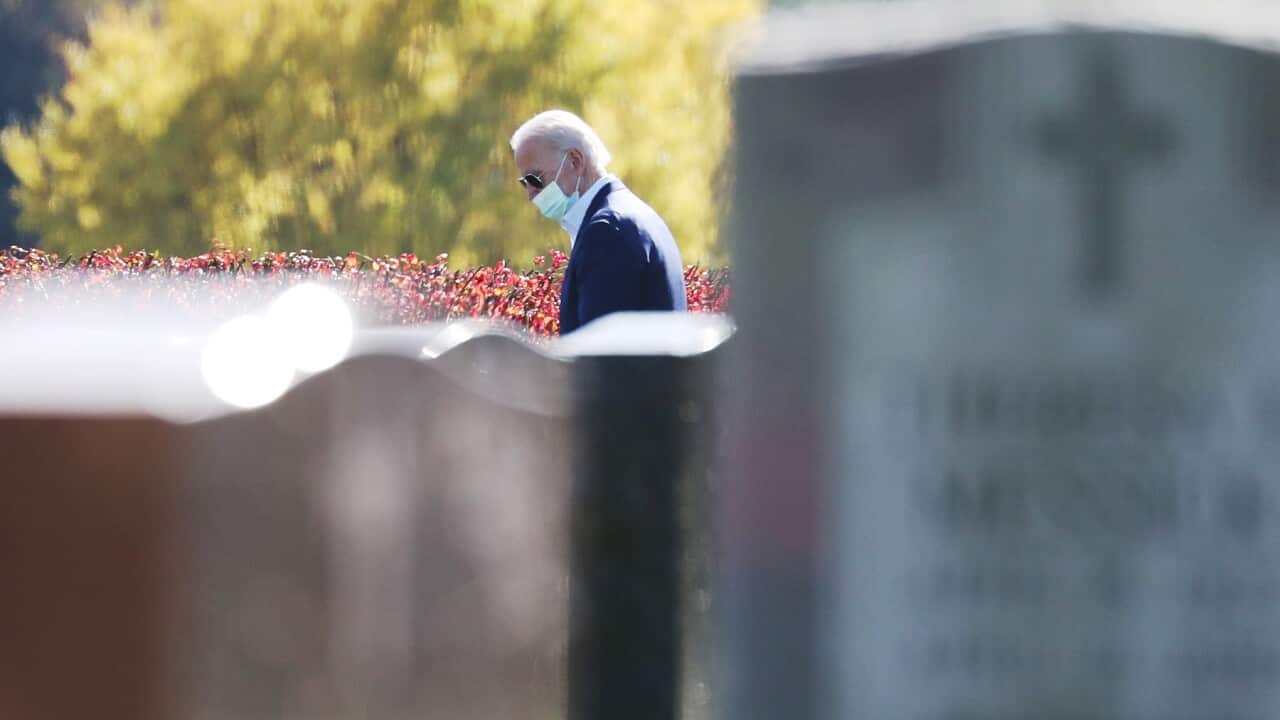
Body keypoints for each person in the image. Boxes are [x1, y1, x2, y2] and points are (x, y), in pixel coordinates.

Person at [510, 110, 687, 334]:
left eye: (535, 179)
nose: (531, 194)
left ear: (575, 161)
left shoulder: (607, 230)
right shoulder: (632, 214)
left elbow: (600, 359)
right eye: (525, 183)